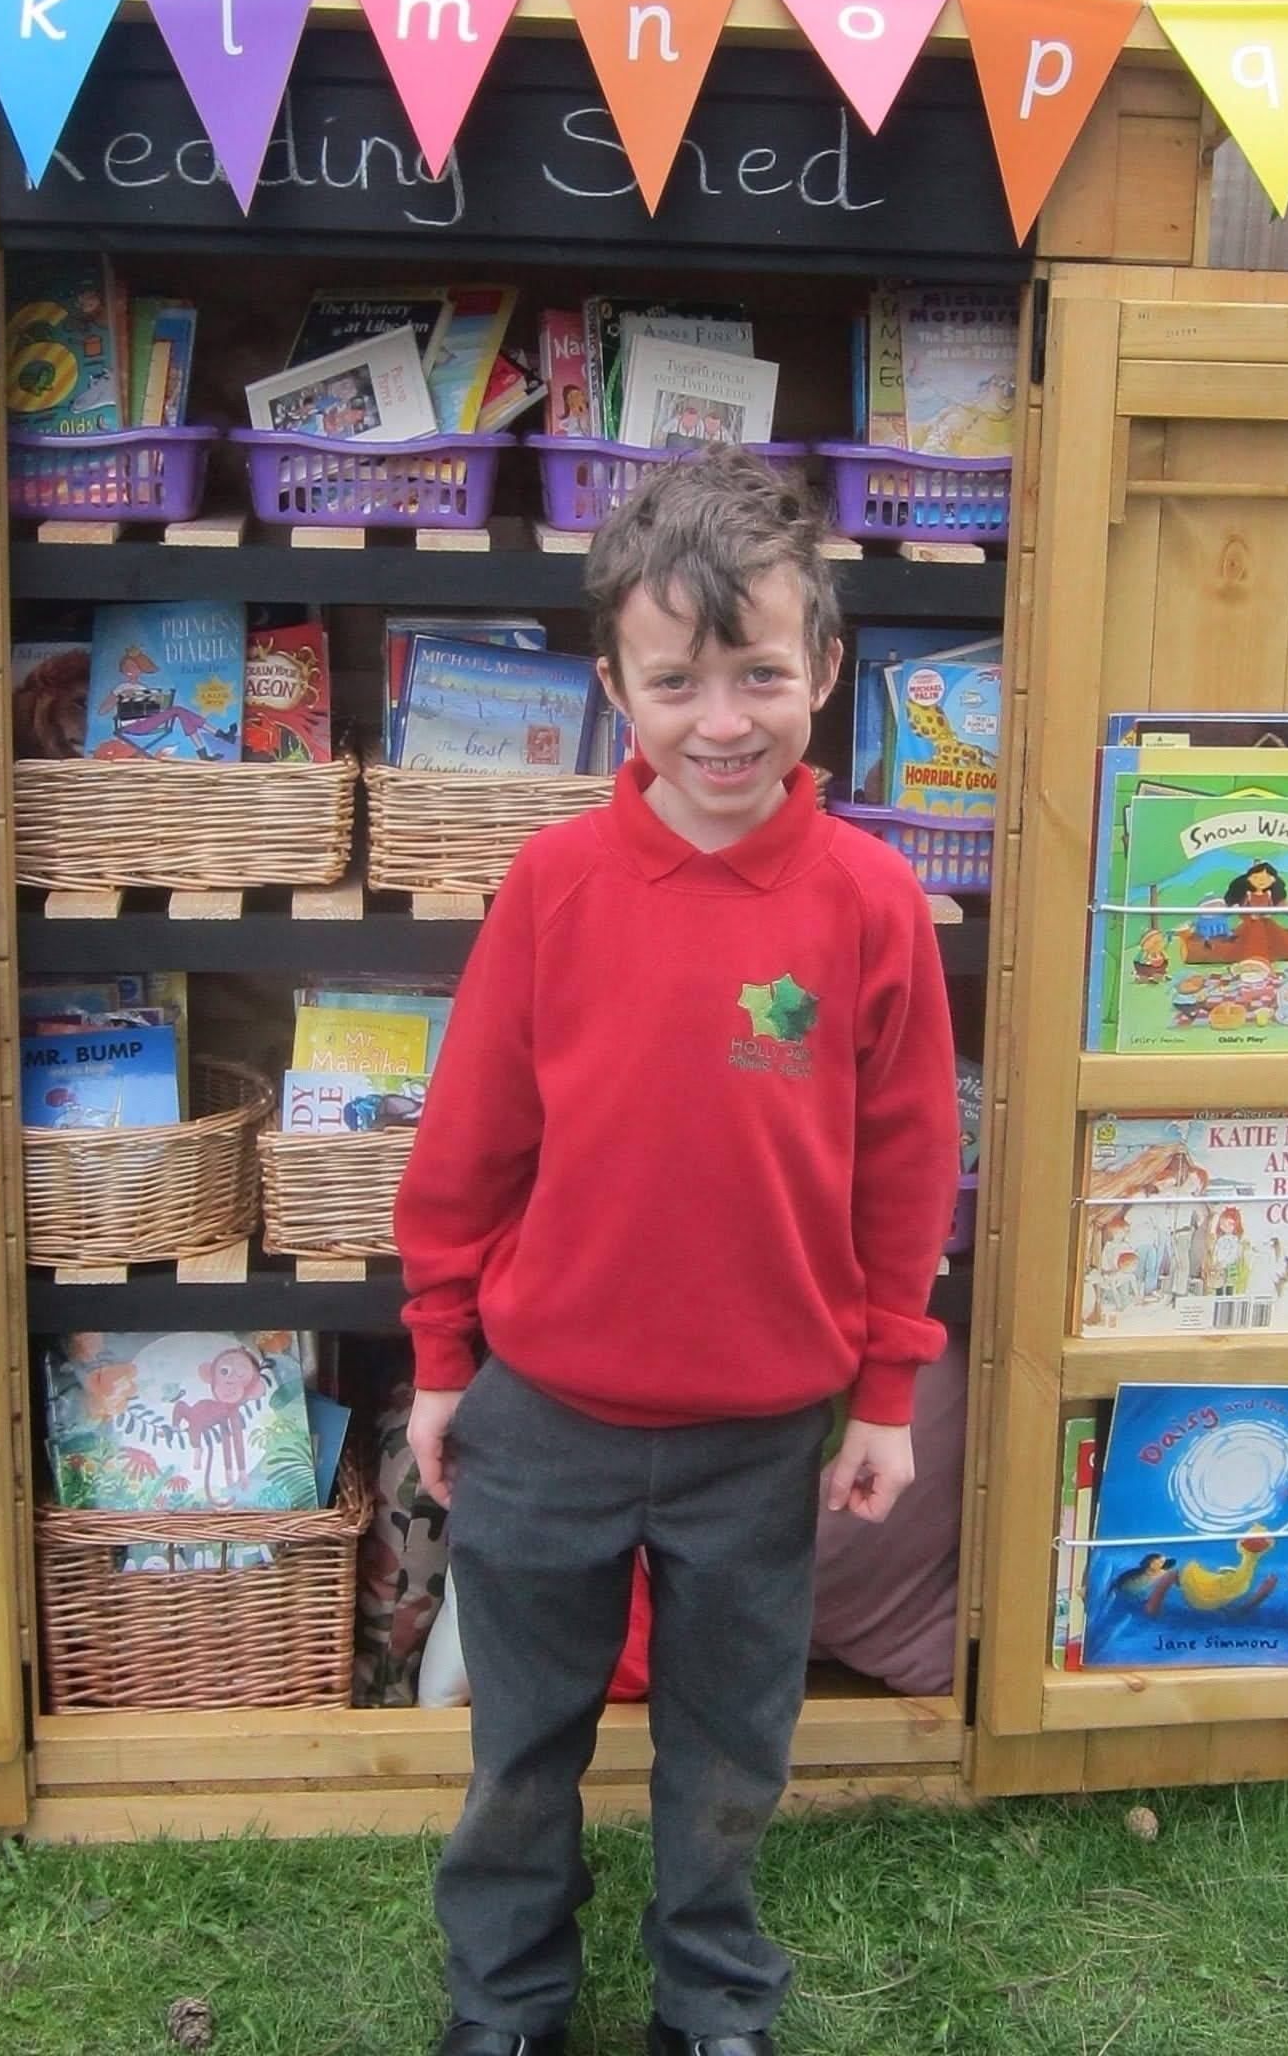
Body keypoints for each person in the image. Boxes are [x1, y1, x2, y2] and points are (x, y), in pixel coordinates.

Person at [395, 447, 960, 2056]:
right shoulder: (555, 887)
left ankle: (713, 2000)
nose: (724, 719)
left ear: (825, 672)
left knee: (730, 1752)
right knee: (522, 1744)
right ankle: (506, 2003)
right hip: (545, 1420)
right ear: (614, 689)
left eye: (761, 674)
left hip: (761, 1434)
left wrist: (879, 1393)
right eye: (679, 679)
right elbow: (469, 1148)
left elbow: (911, 1172)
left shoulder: (873, 904)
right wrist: (446, 1361)